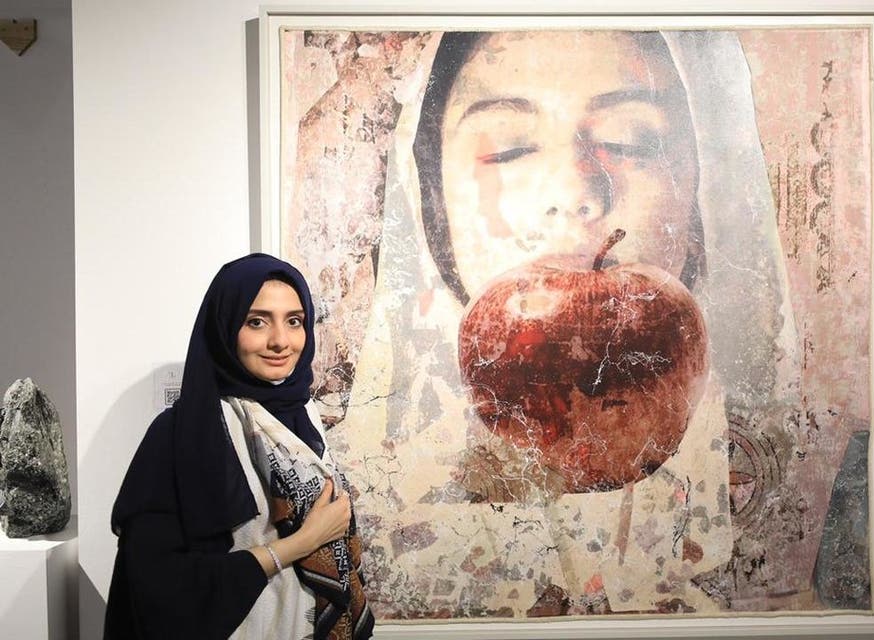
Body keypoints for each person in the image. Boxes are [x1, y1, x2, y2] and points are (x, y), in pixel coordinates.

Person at [331, 28, 815, 617]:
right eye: (508, 149)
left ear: (706, 187)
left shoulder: (819, 490)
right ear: (429, 195)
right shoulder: (349, 493)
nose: (575, 190)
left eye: (631, 141)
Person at [104, 254, 374, 639]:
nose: (280, 341)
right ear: (225, 327)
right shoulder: (180, 433)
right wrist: (302, 543)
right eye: (257, 322)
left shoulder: (305, 417)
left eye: (294, 321)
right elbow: (156, 586)